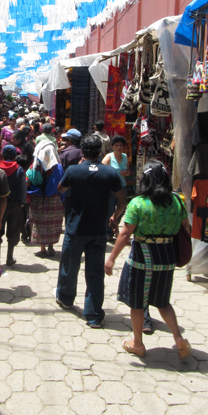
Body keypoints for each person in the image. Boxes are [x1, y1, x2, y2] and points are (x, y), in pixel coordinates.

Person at [105, 160, 191, 359]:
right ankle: (179, 339)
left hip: (142, 257)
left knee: (137, 303)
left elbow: (126, 234)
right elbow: (185, 227)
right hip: (167, 256)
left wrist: (111, 259)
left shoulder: (138, 203)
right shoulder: (177, 201)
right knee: (163, 301)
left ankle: (138, 344)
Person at [56, 135, 126, 328]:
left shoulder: (74, 170)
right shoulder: (111, 173)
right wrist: (115, 216)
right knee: (95, 273)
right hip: (98, 230)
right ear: (101, 152)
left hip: (75, 229)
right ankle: (94, 315)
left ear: (83, 153)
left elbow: (60, 189)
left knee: (69, 267)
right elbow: (122, 199)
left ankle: (65, 298)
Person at [27, 134, 64, 258]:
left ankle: (42, 249)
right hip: (54, 199)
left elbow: (28, 182)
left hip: (38, 199)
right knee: (52, 224)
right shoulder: (58, 167)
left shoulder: (34, 166)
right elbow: (61, 185)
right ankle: (51, 247)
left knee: (39, 223)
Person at [0, 145, 28, 266]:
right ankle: (9, 257)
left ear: (2, 155)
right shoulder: (19, 169)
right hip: (15, 204)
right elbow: (22, 187)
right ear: (15, 156)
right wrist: (23, 202)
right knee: (13, 232)